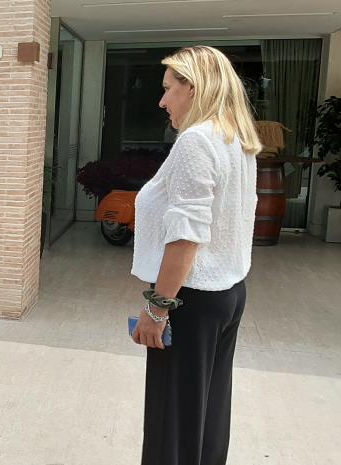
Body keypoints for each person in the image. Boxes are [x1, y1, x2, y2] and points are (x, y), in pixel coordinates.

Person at [130, 45, 260, 465]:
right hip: (227, 292)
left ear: (193, 88)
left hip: (190, 296)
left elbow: (187, 236)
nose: (162, 100)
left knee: (171, 422)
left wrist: (157, 308)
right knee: (207, 412)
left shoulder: (197, 140)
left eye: (168, 88)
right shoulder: (235, 138)